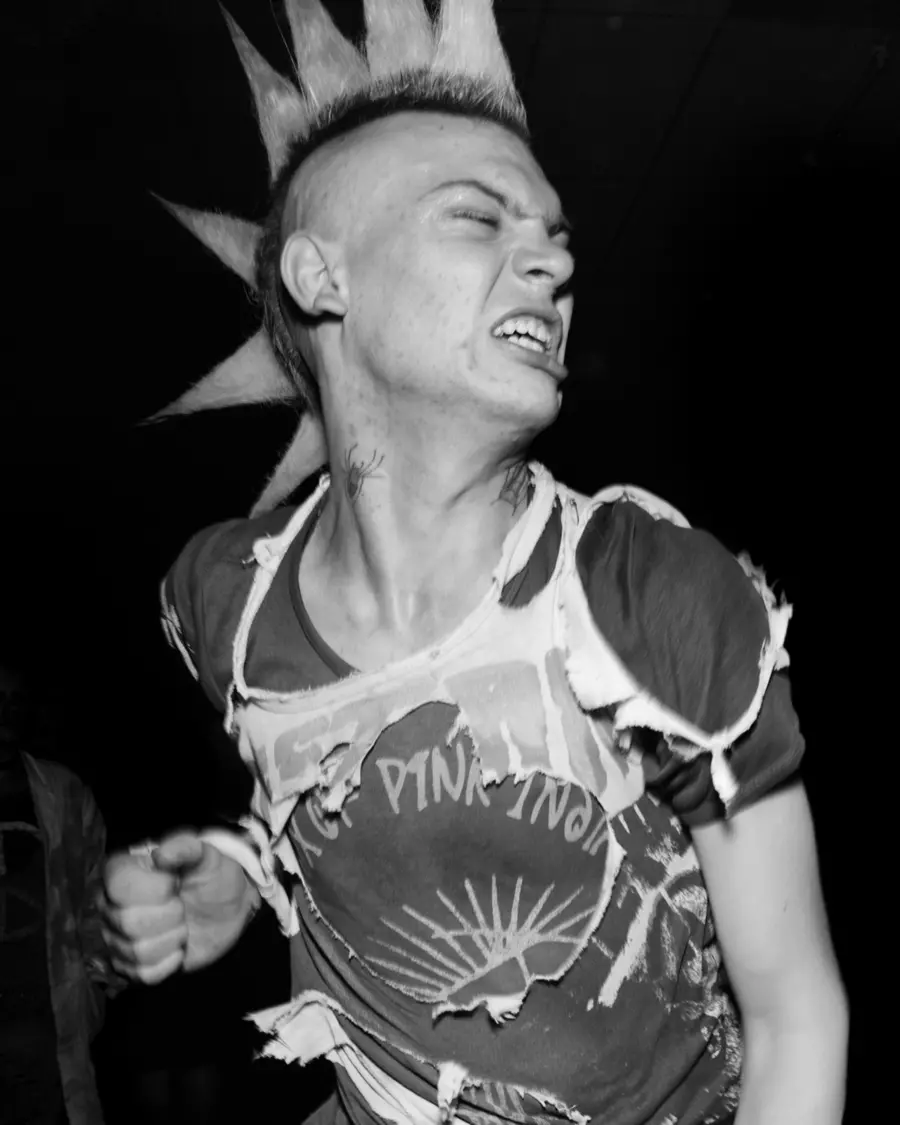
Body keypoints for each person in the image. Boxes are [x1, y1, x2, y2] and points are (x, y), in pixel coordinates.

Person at [101, 3, 848, 1123]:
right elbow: (318, 777)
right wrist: (239, 872)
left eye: (555, 237)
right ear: (322, 278)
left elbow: (796, 1017)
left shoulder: (649, 595)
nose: (550, 260)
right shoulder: (223, 603)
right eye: (476, 218)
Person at [0, 663, 114, 1125]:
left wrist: (96, 986)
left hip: (51, 1034)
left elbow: (97, 897)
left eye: (13, 701)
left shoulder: (62, 792)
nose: (5, 712)